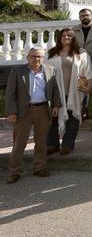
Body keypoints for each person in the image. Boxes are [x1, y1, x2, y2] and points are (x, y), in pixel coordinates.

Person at [5, 48, 62, 183]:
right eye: (33, 56)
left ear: (43, 58)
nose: (36, 59)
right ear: (27, 57)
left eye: (39, 56)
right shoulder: (17, 71)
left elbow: (55, 89)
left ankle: (39, 168)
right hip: (23, 111)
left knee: (41, 142)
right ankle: (14, 172)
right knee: (19, 143)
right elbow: (10, 93)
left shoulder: (50, 70)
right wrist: (11, 112)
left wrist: (56, 105)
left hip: (43, 109)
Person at [45, 29, 92, 155]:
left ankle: (67, 145)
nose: (66, 37)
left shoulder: (81, 53)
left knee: (73, 118)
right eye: (63, 35)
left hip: (75, 91)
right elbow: (44, 71)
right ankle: (52, 144)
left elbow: (88, 71)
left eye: (69, 35)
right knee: (54, 117)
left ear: (73, 38)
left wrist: (90, 85)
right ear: (59, 38)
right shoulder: (51, 53)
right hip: (56, 91)